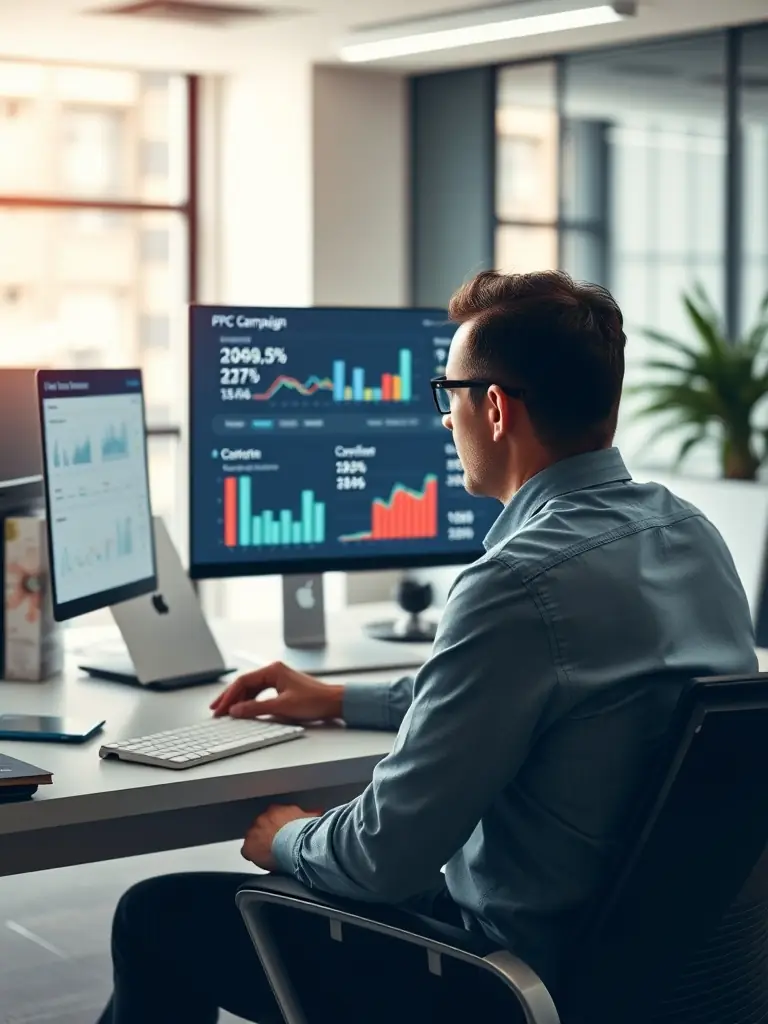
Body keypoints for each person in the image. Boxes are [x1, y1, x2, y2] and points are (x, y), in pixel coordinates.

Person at [98, 271, 757, 1023]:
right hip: (662, 968)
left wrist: (288, 840)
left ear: (496, 409)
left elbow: (382, 858)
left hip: (508, 985)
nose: (445, 421)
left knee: (157, 917)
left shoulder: (516, 582)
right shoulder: (692, 536)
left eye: (447, 394)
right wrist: (340, 699)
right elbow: (543, 691)